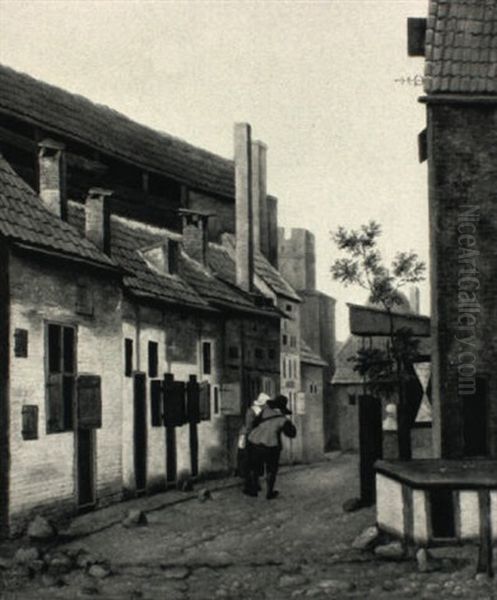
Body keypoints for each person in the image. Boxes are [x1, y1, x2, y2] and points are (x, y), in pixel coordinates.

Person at [246, 395, 296, 499]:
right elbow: (291, 433)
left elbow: (254, 423)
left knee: (254, 467)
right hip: (271, 445)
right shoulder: (283, 419)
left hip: (255, 441)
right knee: (271, 469)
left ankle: (254, 489)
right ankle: (269, 492)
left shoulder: (265, 411)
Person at [239, 392, 270, 490]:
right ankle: (250, 484)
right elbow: (249, 426)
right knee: (251, 462)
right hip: (250, 438)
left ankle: (253, 483)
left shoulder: (258, 411)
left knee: (254, 462)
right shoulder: (253, 411)